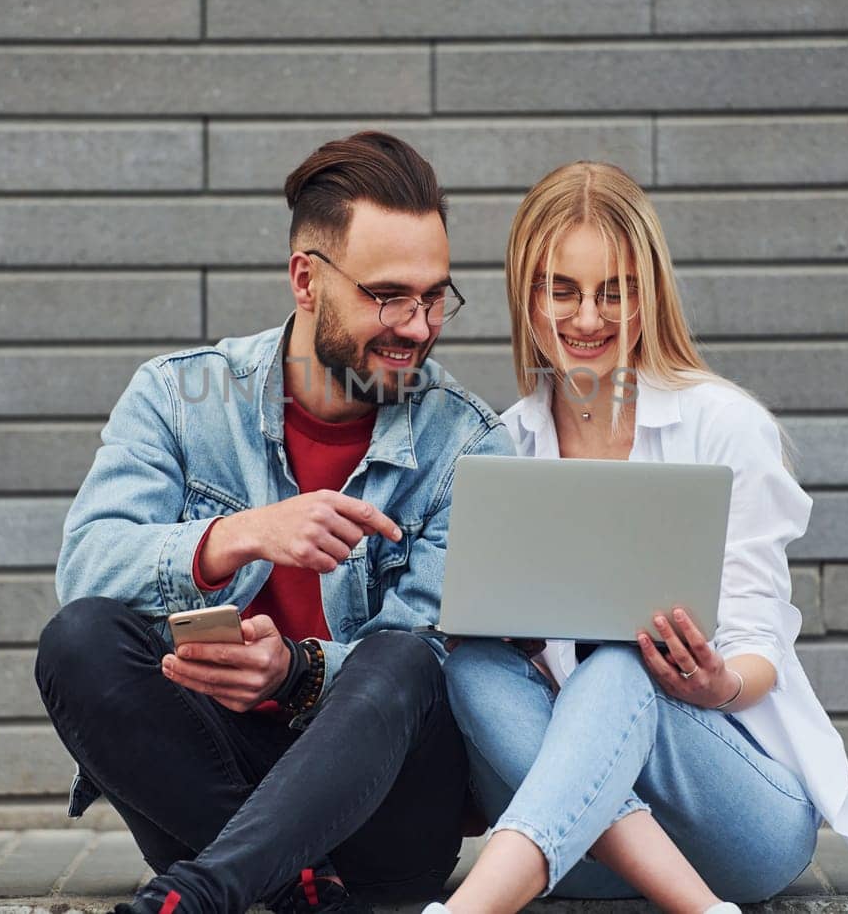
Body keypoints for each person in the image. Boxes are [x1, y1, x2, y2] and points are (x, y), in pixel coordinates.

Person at [34, 131, 513, 914]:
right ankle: (289, 888)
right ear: (306, 278)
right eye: (389, 295)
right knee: (78, 639)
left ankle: (209, 888)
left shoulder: (464, 442)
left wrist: (296, 671)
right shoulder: (179, 398)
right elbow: (86, 563)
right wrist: (239, 535)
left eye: (434, 297)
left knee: (406, 660)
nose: (420, 326)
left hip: (379, 817)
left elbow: (431, 655)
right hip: (210, 790)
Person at [428, 162, 848, 914]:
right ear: (526, 293)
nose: (586, 319)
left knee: (623, 656)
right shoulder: (502, 445)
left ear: (649, 293)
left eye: (615, 290)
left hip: (738, 820)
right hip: (584, 843)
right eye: (563, 290)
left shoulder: (722, 424)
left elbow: (759, 637)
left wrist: (717, 683)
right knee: (473, 662)